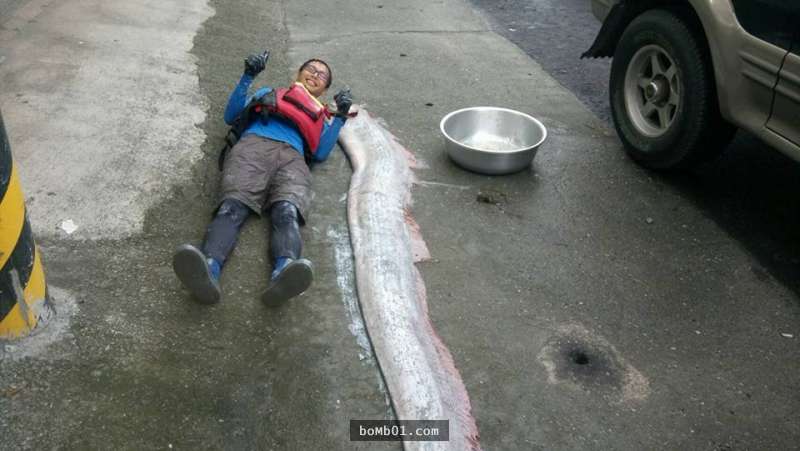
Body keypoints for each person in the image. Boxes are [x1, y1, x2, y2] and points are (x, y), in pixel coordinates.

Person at [173, 51, 353, 306]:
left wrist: (341, 117)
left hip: (293, 159)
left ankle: (284, 272)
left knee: (287, 211)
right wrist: (248, 76)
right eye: (311, 69)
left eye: (322, 75)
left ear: (324, 90)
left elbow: (321, 153)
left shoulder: (323, 117)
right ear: (298, 73)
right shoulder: (269, 92)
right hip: (253, 147)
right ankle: (208, 270)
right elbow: (231, 116)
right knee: (232, 206)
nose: (315, 74)